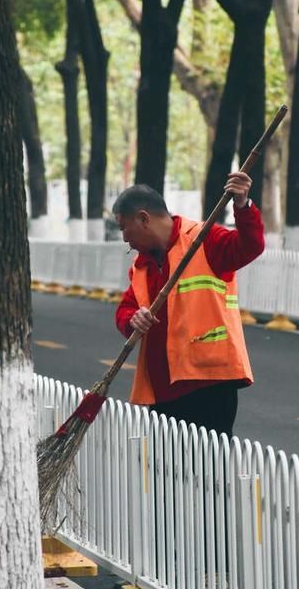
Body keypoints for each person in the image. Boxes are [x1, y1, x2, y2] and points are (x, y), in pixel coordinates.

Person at [113, 173, 265, 437]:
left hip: (209, 383)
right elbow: (125, 309)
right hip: (164, 387)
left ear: (144, 218)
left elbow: (250, 246)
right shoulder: (142, 266)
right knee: (168, 472)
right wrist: (132, 319)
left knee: (209, 470)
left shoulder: (204, 239)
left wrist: (242, 205)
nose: (125, 237)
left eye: (124, 227)